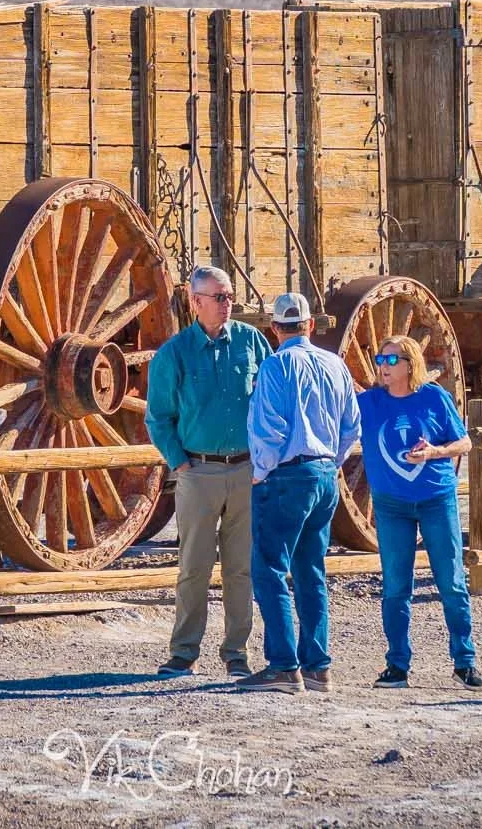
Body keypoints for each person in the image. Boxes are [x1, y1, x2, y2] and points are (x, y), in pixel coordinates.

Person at [144, 265, 271, 678]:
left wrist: (265, 460)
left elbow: (271, 404)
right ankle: (183, 652)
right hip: (198, 471)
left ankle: (237, 653)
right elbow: (158, 418)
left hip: (246, 471)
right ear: (196, 303)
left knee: (241, 568)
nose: (227, 303)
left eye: (230, 295)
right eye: (218, 297)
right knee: (193, 566)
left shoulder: (252, 343)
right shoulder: (174, 353)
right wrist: (180, 463)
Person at [238, 292, 360, 694]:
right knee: (311, 569)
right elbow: (351, 427)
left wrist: (260, 471)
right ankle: (317, 665)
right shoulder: (336, 365)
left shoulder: (276, 365)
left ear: (274, 328)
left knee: (270, 567)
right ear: (310, 325)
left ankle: (283, 665)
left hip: (286, 475)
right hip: (324, 472)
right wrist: (331, 463)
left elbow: (268, 427)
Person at [358, 334, 482, 691]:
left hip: (435, 498)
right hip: (390, 504)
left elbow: (465, 442)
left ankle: (465, 661)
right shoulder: (368, 403)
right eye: (381, 360)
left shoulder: (434, 398)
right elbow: (330, 415)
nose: (383, 366)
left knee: (451, 582)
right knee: (396, 586)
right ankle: (397, 664)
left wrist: (434, 452)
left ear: (410, 364)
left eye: (392, 360)